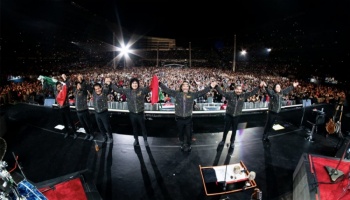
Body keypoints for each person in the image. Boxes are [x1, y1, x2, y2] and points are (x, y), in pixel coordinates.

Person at [159, 80, 217, 152]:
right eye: (184, 85)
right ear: (181, 87)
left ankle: (189, 145)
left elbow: (202, 92)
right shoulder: (177, 94)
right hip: (179, 118)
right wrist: (159, 83)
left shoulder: (192, 95)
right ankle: (182, 143)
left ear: (189, 87)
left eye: (187, 85)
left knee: (189, 133)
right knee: (180, 133)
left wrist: (210, 87)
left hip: (188, 119)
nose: (185, 86)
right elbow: (167, 90)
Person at [216, 81, 265, 148]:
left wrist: (259, 87)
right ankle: (223, 140)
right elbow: (222, 93)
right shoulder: (230, 94)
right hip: (229, 115)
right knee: (226, 129)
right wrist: (216, 86)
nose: (239, 91)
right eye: (237, 89)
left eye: (240, 89)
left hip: (237, 115)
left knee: (234, 129)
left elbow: (252, 93)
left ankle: (232, 142)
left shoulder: (244, 95)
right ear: (235, 89)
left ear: (241, 90)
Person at [105, 77, 151, 146]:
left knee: (143, 127)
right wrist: (110, 84)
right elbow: (118, 90)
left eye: (136, 83)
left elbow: (150, 88)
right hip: (132, 113)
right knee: (134, 127)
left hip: (140, 113)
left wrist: (156, 82)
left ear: (138, 84)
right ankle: (136, 140)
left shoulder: (142, 90)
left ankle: (145, 140)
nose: (134, 84)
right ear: (131, 84)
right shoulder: (127, 90)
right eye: (133, 83)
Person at [55, 74, 77, 139]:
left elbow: (67, 84)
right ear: (56, 88)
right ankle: (67, 132)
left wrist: (65, 79)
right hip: (61, 109)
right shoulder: (56, 92)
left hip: (66, 107)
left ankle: (75, 132)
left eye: (60, 86)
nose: (59, 87)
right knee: (64, 121)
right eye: (58, 87)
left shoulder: (64, 90)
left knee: (70, 120)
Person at [73, 74, 94, 141]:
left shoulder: (84, 91)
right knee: (83, 124)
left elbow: (88, 87)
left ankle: (91, 134)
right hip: (78, 111)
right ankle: (87, 134)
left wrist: (82, 80)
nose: (78, 85)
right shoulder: (75, 92)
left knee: (88, 123)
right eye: (77, 85)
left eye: (79, 84)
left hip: (84, 110)